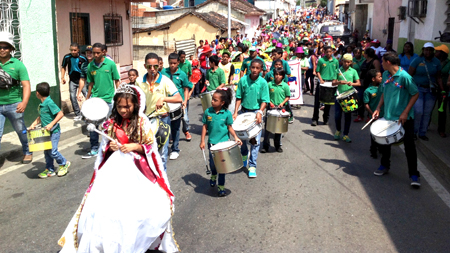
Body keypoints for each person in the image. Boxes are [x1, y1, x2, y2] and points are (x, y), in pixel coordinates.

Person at [58, 84, 178, 252]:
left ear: (135, 105)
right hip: (113, 171)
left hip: (137, 171)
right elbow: (104, 148)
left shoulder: (142, 121)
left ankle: (134, 242)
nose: (123, 110)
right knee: (106, 212)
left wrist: (134, 147)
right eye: (120, 106)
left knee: (137, 212)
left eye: (127, 106)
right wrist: (110, 147)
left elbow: (151, 148)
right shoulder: (111, 122)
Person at [373, 52, 420, 188]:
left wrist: (405, 112)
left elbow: (415, 94)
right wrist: (378, 108)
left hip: (404, 118)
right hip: (388, 116)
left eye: (382, 61)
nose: (381, 64)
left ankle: (414, 174)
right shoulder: (386, 75)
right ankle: (384, 165)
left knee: (409, 146)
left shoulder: (405, 77)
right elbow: (383, 93)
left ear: (388, 62)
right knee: (385, 142)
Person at [137, 53, 182, 171]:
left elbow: (178, 98)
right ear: (145, 66)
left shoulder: (165, 81)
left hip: (162, 119)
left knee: (162, 153)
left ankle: (163, 184)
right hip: (145, 120)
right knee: (146, 152)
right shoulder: (139, 82)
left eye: (155, 66)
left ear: (159, 66)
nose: (152, 69)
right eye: (149, 66)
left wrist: (163, 98)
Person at [81, 43, 120, 159]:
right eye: (94, 53)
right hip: (95, 100)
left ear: (104, 52)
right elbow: (90, 83)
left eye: (98, 53)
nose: (95, 55)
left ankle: (109, 145)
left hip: (108, 100)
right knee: (92, 124)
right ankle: (94, 147)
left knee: (108, 125)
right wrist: (87, 98)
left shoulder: (110, 64)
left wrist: (118, 96)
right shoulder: (90, 66)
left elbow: (117, 80)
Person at [200, 88, 242, 197]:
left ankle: (221, 187)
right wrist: (202, 141)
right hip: (212, 144)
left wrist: (236, 137)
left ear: (222, 102)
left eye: (215, 100)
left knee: (222, 167)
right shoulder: (208, 112)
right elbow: (204, 127)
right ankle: (213, 175)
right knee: (213, 165)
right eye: (212, 99)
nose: (212, 101)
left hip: (223, 145)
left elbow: (229, 127)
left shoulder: (227, 114)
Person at [233, 59, 270, 178]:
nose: (254, 70)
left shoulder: (263, 82)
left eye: (257, 68)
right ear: (249, 68)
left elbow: (265, 100)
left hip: (256, 114)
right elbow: (239, 97)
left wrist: (260, 112)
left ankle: (253, 165)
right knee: (242, 138)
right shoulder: (243, 80)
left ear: (261, 69)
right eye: (252, 67)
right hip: (244, 112)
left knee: (255, 141)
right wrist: (235, 112)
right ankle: (244, 154)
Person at [0, 31, 32, 164]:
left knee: (20, 130)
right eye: (0, 47)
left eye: (5, 47)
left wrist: (24, 102)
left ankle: (27, 151)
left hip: (15, 104)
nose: (2, 49)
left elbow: (26, 85)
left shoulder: (18, 65)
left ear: (11, 49)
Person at [29, 82, 71, 178]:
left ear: (37, 93)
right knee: (47, 151)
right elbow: (41, 116)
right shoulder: (42, 104)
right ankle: (49, 169)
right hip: (46, 133)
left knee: (53, 151)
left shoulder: (49, 103)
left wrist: (51, 124)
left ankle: (64, 163)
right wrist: (34, 124)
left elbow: (60, 114)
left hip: (54, 132)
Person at [408, 42, 444, 141]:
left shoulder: (436, 62)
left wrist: (442, 90)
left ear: (433, 51)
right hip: (418, 89)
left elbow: (438, 77)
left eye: (429, 50)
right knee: (418, 111)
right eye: (426, 50)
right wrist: (407, 89)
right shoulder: (417, 60)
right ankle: (414, 132)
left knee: (427, 112)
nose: (427, 52)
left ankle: (422, 133)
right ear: (423, 50)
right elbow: (409, 75)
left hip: (431, 91)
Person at [162, 53, 193, 159]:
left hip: (177, 103)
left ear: (178, 63)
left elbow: (185, 88)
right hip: (165, 103)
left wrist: (184, 101)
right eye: (170, 63)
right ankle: (164, 148)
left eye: (174, 63)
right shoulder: (163, 72)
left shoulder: (183, 74)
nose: (172, 65)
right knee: (164, 127)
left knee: (176, 127)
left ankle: (175, 149)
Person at [332, 54, 360, 143]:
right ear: (342, 61)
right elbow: (333, 83)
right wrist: (339, 82)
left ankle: (345, 134)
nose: (346, 63)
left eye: (348, 62)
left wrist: (351, 84)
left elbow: (358, 83)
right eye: (344, 61)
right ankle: (338, 130)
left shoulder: (354, 71)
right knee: (337, 116)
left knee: (347, 116)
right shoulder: (338, 70)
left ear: (351, 62)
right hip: (339, 96)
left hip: (349, 97)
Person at [261, 68, 290, 153]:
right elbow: (266, 95)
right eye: (276, 74)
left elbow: (287, 96)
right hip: (271, 108)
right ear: (273, 75)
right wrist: (270, 102)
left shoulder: (285, 86)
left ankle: (277, 145)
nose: (278, 76)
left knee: (279, 128)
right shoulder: (269, 84)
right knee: (268, 128)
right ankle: (265, 146)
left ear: (283, 76)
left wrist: (282, 103)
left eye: (280, 75)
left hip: (281, 108)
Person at [312, 46, 339, 126]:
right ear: (324, 52)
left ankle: (326, 118)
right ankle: (315, 119)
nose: (328, 53)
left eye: (330, 52)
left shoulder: (335, 61)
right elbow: (318, 71)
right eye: (327, 52)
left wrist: (335, 79)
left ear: (332, 52)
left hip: (331, 84)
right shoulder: (321, 60)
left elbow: (336, 72)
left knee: (328, 103)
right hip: (322, 83)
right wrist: (321, 79)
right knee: (317, 102)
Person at [61, 42, 88, 121]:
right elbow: (63, 67)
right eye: (71, 50)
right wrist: (62, 77)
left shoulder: (83, 58)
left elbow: (88, 68)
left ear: (78, 50)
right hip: (72, 80)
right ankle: (78, 114)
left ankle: (89, 112)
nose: (73, 52)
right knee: (72, 97)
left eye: (75, 50)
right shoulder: (67, 57)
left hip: (82, 80)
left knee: (87, 96)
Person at [355, 47, 381, 122]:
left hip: (371, 83)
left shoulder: (375, 61)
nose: (363, 54)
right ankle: (360, 115)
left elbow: (377, 72)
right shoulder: (365, 61)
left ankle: (369, 115)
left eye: (364, 53)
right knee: (360, 99)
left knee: (370, 100)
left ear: (367, 54)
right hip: (363, 82)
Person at [364, 69, 383, 158]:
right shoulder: (368, 91)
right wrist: (372, 113)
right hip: (373, 116)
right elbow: (366, 104)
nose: (381, 78)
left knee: (382, 133)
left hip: (383, 114)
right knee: (374, 134)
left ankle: (381, 148)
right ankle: (373, 149)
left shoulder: (383, 87)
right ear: (373, 79)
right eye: (379, 77)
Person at [434, 44, 450, 137]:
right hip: (433, 87)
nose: (436, 53)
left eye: (438, 51)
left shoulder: (448, 63)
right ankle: (424, 126)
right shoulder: (434, 62)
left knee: (442, 110)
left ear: (443, 53)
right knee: (428, 108)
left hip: (443, 89)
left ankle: (441, 130)